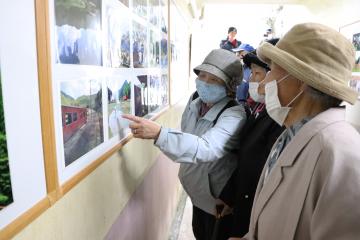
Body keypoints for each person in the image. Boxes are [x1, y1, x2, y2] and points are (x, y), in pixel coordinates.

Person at [240, 22, 360, 240]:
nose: (265, 82)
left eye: (272, 71)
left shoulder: (341, 154)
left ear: (302, 80)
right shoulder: (291, 133)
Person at [123, 49, 247, 240]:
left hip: (217, 202)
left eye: (214, 79)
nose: (204, 82)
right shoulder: (195, 99)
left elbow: (206, 148)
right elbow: (188, 135)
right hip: (196, 193)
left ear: (229, 86)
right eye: (203, 76)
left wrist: (159, 134)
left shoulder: (234, 115)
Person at [216, 39, 285, 239]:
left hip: (254, 210)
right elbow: (246, 159)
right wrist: (229, 196)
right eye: (252, 73)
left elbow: (261, 171)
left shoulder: (280, 119)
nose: (254, 81)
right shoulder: (258, 108)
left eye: (258, 74)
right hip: (241, 200)